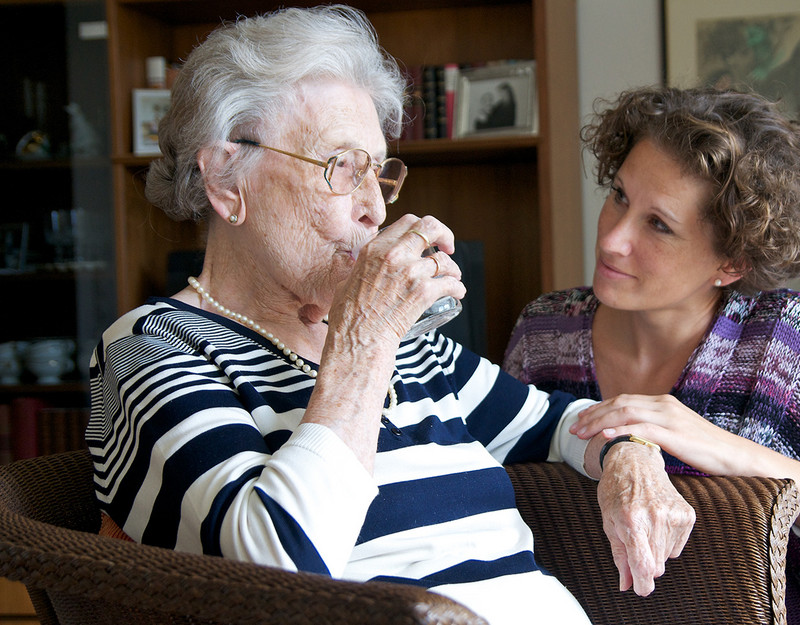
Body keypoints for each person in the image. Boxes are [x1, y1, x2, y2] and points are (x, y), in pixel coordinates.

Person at [85, 8, 695, 625]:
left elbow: (570, 424)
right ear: (225, 180)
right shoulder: (151, 348)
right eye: (340, 168)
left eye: (378, 173)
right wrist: (364, 339)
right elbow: (273, 575)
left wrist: (631, 456)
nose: (374, 209)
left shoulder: (415, 350)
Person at [503, 86, 800, 625]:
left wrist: (728, 452)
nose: (613, 239)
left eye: (659, 224)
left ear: (731, 262)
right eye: (620, 196)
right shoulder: (545, 330)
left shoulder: (785, 343)